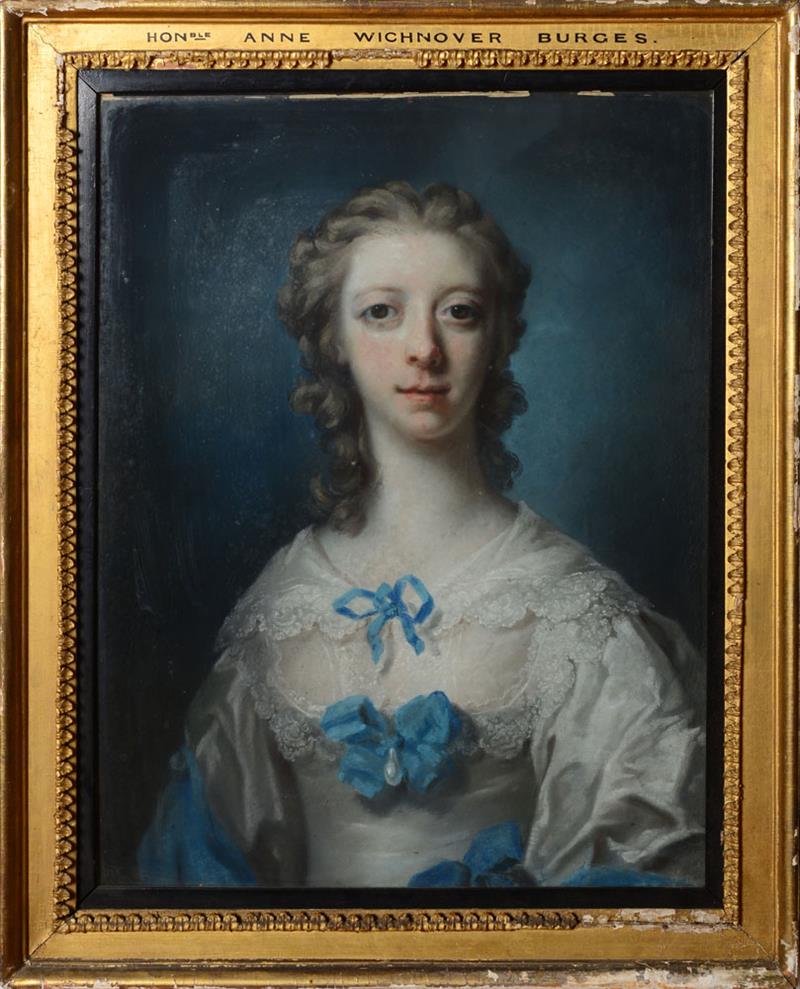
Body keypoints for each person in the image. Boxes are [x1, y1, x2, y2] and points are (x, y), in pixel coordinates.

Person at [139, 181, 705, 889]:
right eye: (382, 312)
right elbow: (201, 879)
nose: (424, 349)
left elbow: (639, 877)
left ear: (497, 338)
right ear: (334, 340)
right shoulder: (279, 606)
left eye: (459, 313)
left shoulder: (571, 611)